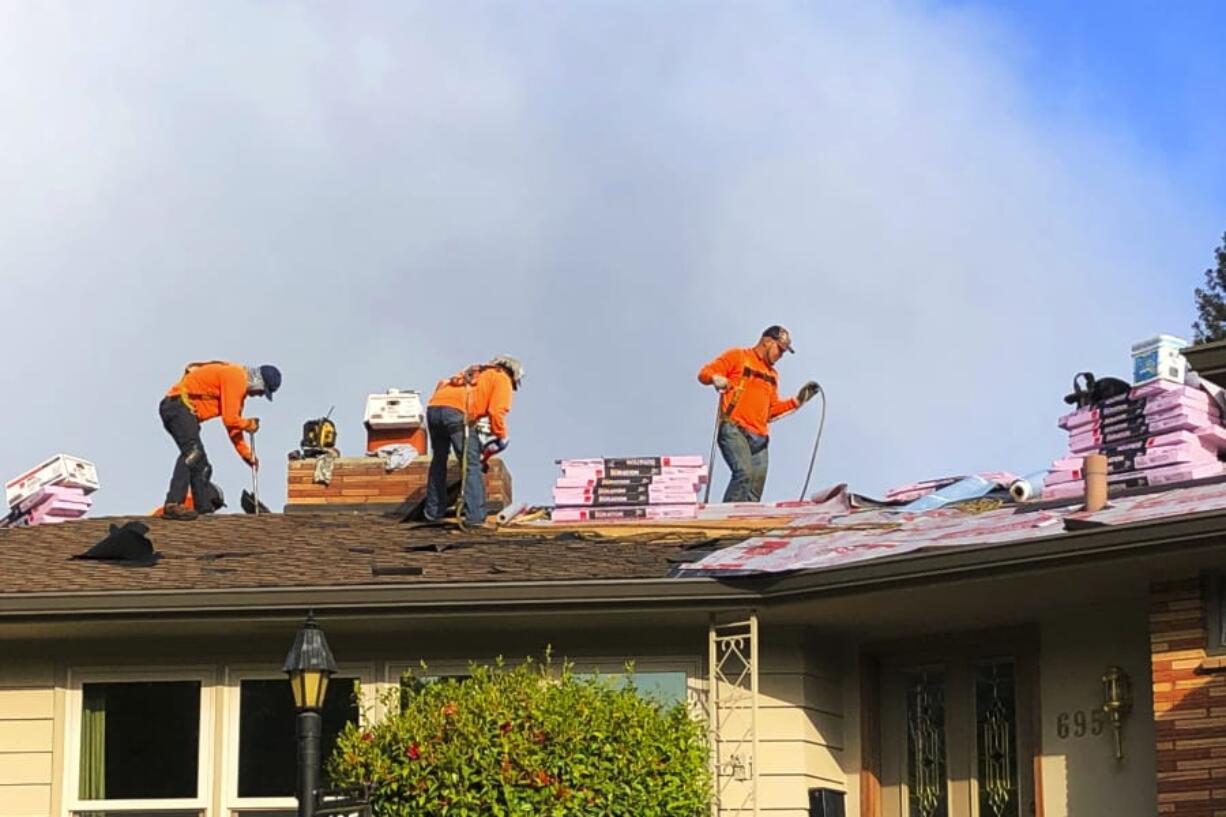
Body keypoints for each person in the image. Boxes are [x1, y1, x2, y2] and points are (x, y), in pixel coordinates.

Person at [697, 326, 818, 502]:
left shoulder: (772, 375)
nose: (780, 356)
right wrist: (715, 378)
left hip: (759, 439)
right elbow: (704, 373)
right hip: (734, 429)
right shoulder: (739, 356)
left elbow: (771, 411)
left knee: (754, 491)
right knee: (744, 473)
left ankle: (745, 526)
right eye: (780, 350)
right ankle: (728, 520)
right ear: (767, 342)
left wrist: (797, 401)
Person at [159, 361, 281, 521]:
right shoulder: (236, 378)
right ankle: (173, 504)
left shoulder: (238, 388)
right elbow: (231, 420)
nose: (258, 395)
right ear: (258, 381)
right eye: (261, 392)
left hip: (183, 411)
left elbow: (233, 428)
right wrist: (248, 424)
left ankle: (203, 512)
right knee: (193, 452)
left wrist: (246, 454)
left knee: (203, 467)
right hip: (176, 406)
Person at [423, 355, 523, 525]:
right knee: (472, 465)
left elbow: (450, 388)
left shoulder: (476, 371)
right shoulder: (502, 377)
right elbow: (496, 411)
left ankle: (433, 513)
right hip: (456, 413)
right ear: (514, 375)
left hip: (434, 408)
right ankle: (475, 517)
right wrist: (501, 436)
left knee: (439, 461)